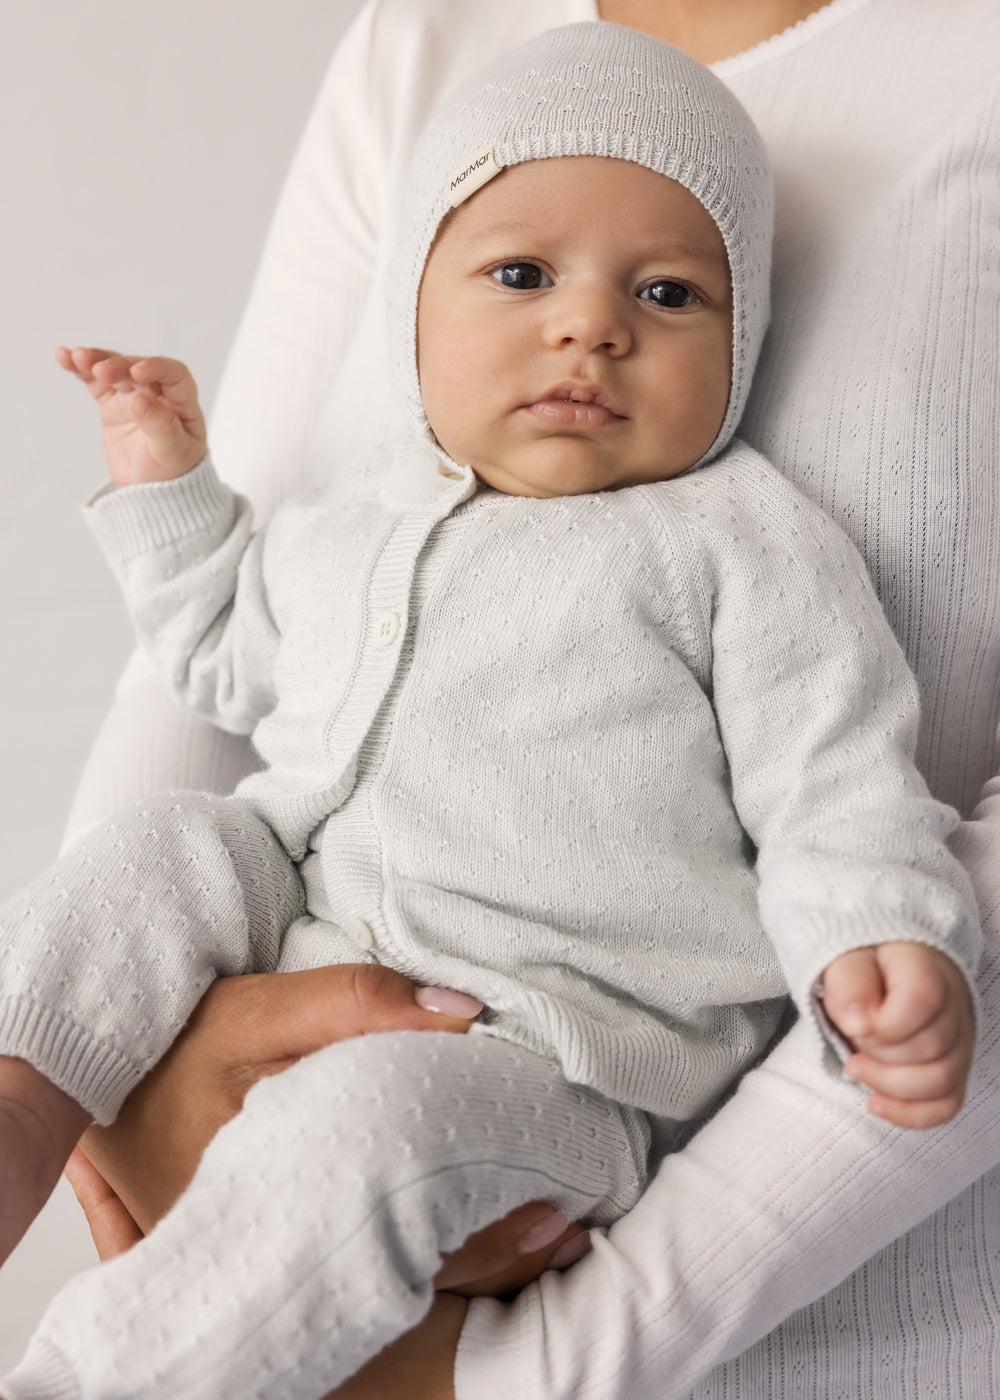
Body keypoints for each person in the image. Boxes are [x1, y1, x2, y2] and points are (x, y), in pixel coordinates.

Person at [0, 22, 983, 1399]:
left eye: (672, 294)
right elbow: (220, 657)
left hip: (549, 1043)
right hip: (297, 909)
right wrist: (170, 491)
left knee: (356, 1136)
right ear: (414, 310)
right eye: (522, 274)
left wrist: (881, 935)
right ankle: (23, 1093)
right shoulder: (361, 523)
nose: (594, 323)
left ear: (746, 338)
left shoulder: (740, 545)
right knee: (154, 851)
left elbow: (833, 779)